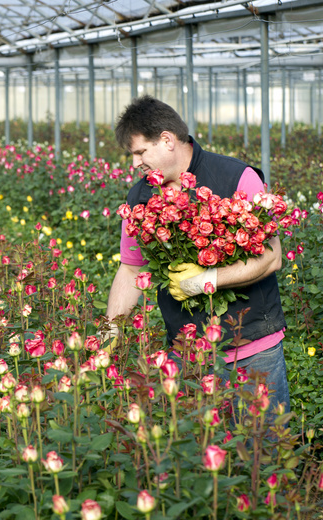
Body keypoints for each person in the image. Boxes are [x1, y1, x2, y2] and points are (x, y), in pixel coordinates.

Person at [105, 95, 289, 415]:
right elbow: (131, 271)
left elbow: (272, 257)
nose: (135, 163)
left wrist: (205, 281)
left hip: (252, 347)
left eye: (139, 152)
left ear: (166, 140)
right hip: (187, 353)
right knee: (197, 452)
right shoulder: (140, 196)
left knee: (266, 449)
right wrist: (109, 335)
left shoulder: (235, 177)